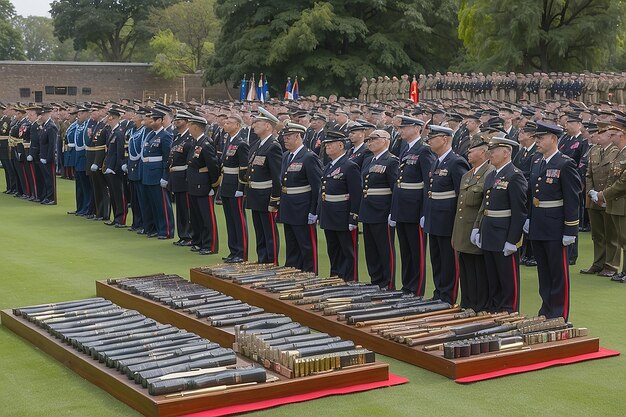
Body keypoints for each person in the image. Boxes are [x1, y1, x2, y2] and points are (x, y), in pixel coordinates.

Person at [526, 121, 581, 320]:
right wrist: (529, 218)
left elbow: (572, 200)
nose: (537, 142)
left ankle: (559, 313)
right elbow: (532, 194)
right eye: (536, 138)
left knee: (558, 273)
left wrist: (570, 230)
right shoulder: (536, 161)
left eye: (541, 138)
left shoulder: (565, 164)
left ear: (554, 139)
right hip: (539, 224)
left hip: (556, 226)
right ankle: (546, 309)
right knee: (544, 271)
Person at [473, 135, 527, 313]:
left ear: (506, 153)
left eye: (494, 151)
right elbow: (486, 206)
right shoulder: (491, 175)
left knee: (507, 278)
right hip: (489, 231)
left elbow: (519, 211)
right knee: (492, 276)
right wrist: (479, 229)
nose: (490, 154)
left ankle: (508, 311)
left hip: (504, 234)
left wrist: (513, 239)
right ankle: (494, 308)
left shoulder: (514, 176)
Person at [423, 124, 470, 304]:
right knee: (436, 258)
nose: (429, 141)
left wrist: (459, 221)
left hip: (448, 218)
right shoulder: (437, 161)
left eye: (433, 138)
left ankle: (447, 295)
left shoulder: (456, 161)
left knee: (448, 260)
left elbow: (462, 194)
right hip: (434, 216)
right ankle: (438, 292)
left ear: (444, 139)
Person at [389, 116, 436, 296]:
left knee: (416, 252)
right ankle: (407, 286)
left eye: (405, 127)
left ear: (417, 128)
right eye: (400, 128)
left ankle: (416, 290)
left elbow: (427, 183)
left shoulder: (424, 150)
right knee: (406, 251)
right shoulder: (406, 149)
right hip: (402, 207)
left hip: (415, 209)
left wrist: (425, 211)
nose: (400, 131)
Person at [451, 134, 494, 312]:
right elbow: (460, 206)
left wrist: (478, 228)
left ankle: (479, 304)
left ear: (483, 153)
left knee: (478, 271)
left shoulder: (489, 173)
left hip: (475, 228)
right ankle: (467, 302)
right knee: (465, 269)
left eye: (472, 150)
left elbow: (484, 204)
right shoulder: (468, 174)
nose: (468, 153)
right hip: (463, 228)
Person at [278, 122, 323, 273]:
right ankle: (292, 271)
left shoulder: (309, 157)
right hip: (288, 205)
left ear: (298, 136)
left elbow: (317, 187)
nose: (285, 139)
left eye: (288, 136)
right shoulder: (286, 156)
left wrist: (314, 211)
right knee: (291, 244)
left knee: (306, 245)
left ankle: (310, 273)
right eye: (284, 136)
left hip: (303, 208)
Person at [318, 130, 362, 281]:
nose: (327, 147)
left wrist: (353, 217)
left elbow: (356, 194)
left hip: (343, 215)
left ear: (341, 145)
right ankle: (335, 276)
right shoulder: (329, 165)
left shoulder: (350, 166)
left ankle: (348, 279)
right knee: (333, 249)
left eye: (330, 144)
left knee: (347, 251)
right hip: (329, 213)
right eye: (326, 144)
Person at [359, 129, 399, 289]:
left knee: (384, 249)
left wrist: (392, 212)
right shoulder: (369, 160)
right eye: (368, 140)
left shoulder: (391, 161)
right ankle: (375, 280)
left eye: (374, 139)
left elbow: (395, 188)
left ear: (385, 140)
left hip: (382, 211)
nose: (370, 142)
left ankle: (387, 283)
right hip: (368, 209)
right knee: (371, 249)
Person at [581, 123, 620, 277]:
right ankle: (598, 263)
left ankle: (611, 266)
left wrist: (603, 195)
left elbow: (615, 176)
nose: (596, 136)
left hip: (609, 198)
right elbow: (588, 174)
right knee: (597, 234)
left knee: (611, 235)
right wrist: (592, 194)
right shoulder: (594, 150)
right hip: (594, 198)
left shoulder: (616, 151)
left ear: (608, 136)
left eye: (601, 134)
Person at [245, 107, 282, 264]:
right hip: (255, 194)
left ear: (268, 125)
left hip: (266, 196)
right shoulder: (256, 145)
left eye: (258, 122)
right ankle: (262, 259)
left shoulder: (273, 146)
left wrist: (274, 199)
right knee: (259, 231)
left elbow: (276, 176)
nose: (254, 125)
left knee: (269, 232)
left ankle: (271, 262)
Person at [186, 113, 221, 255]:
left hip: (203, 185)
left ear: (195, 128)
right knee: (196, 216)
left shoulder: (206, 143)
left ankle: (209, 245)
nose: (188, 129)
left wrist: (213, 185)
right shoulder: (196, 142)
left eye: (189, 126)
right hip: (194, 183)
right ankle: (198, 241)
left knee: (207, 217)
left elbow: (213, 166)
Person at [219, 114, 249, 263]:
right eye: (225, 123)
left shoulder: (241, 143)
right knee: (230, 219)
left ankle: (241, 252)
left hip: (235, 185)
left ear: (237, 125)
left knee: (238, 220)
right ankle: (233, 250)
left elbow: (244, 168)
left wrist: (241, 187)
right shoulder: (228, 140)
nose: (226, 125)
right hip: (226, 184)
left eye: (229, 123)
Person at [141, 108, 174, 239]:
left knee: (162, 205)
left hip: (157, 173)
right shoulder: (150, 134)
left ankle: (166, 230)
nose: (149, 121)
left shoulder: (165, 136)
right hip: (148, 171)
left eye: (152, 119)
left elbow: (167, 158)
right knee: (152, 204)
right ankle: (154, 228)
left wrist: (165, 176)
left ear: (160, 120)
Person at [167, 109, 194, 246]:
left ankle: (189, 235)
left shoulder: (189, 138)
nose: (177, 121)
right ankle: (182, 234)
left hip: (184, 176)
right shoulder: (177, 137)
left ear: (187, 122)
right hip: (176, 175)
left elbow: (190, 160)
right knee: (180, 208)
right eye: (176, 119)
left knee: (186, 208)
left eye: (180, 119)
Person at [102, 108, 127, 227]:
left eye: (110, 118)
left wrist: (115, 167)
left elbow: (119, 153)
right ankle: (116, 216)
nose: (108, 120)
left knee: (119, 194)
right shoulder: (112, 132)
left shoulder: (119, 133)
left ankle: (121, 218)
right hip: (109, 167)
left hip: (116, 170)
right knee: (113, 193)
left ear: (115, 119)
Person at [37, 106, 58, 205]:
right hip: (43, 156)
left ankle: (51, 198)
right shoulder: (45, 125)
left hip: (48, 158)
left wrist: (48, 158)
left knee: (50, 179)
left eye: (43, 114)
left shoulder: (51, 126)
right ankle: (47, 196)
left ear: (48, 114)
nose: (41, 116)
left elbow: (52, 145)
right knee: (45, 179)